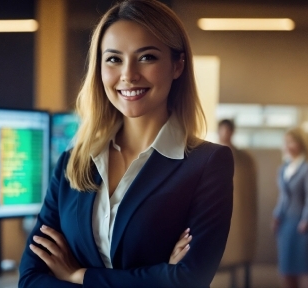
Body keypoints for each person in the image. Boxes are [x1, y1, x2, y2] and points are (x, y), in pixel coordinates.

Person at [18, 0, 234, 287]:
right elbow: (31, 279)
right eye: (114, 59)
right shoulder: (74, 162)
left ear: (177, 65)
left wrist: (78, 275)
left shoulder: (207, 164)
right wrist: (156, 278)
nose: (128, 75)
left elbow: (187, 280)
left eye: (146, 57)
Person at [272, 128, 308, 288]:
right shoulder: (283, 169)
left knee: (303, 267)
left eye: (291, 142)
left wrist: (306, 219)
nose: (288, 145)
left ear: (300, 144)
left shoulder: (307, 168)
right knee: (286, 267)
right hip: (286, 223)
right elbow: (283, 196)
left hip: (301, 224)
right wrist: (277, 215)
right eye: (286, 142)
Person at [218, 119, 258, 287]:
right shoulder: (212, 155)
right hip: (220, 212)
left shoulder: (244, 158)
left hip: (241, 214)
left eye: (229, 130)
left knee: (241, 255)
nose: (226, 134)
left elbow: (251, 189)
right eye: (223, 130)